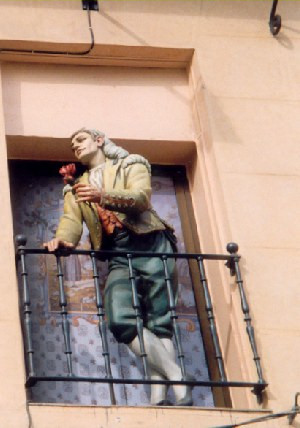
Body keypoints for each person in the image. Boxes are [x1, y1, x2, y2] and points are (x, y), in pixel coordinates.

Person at [43, 128, 192, 406]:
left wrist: (102, 196)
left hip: (151, 243)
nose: (75, 146)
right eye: (72, 144)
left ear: (99, 141)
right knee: (120, 318)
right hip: (118, 254)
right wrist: (61, 240)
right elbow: (72, 221)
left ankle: (159, 393)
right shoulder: (76, 187)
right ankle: (176, 374)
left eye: (81, 140)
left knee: (159, 321)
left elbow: (140, 198)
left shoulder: (131, 164)